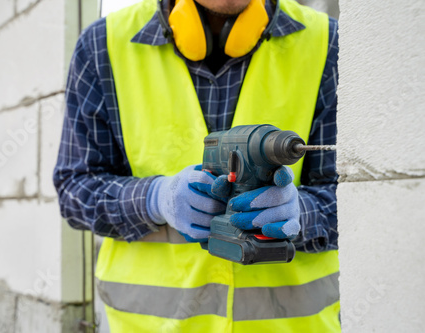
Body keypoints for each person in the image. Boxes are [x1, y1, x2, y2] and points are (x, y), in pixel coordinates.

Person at [54, 0, 340, 331]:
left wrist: (301, 213)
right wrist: (154, 199)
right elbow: (75, 189)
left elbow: (363, 197)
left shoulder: (326, 42)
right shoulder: (102, 45)